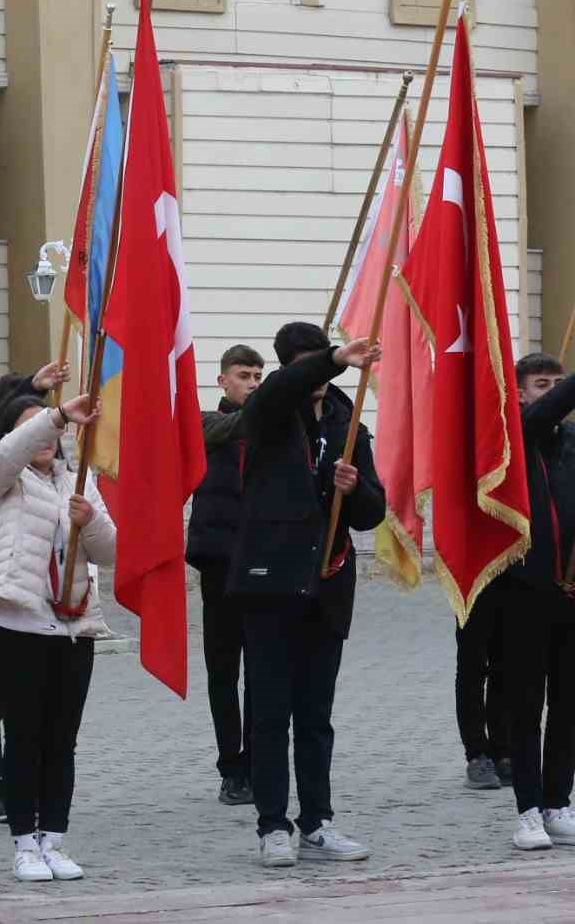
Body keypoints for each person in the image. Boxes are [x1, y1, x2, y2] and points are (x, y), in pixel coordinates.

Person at [227, 323, 383, 868]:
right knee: (269, 712)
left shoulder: (348, 420)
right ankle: (273, 825)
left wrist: (353, 487)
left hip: (328, 586)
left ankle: (317, 822)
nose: (313, 373)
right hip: (271, 584)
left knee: (316, 714)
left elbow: (373, 510)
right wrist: (336, 356)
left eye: (314, 360)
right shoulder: (270, 414)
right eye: (302, 363)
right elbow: (274, 391)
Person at [0, 391, 111, 883]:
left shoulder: (78, 479)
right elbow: (2, 459)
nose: (49, 438)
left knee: (62, 740)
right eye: (33, 429)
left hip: (74, 625)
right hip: (18, 624)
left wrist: (88, 520)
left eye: (53, 431)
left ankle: (54, 838)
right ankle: (23, 842)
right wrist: (52, 417)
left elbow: (109, 551)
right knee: (25, 736)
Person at [0, 361, 68, 824]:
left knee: (38, 695)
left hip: (44, 589)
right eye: (26, 423)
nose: (39, 433)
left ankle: (34, 778)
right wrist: (32, 387)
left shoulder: (57, 472)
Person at [502, 353, 575, 850]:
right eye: (541, 384)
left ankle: (558, 802)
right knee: (525, 706)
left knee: (568, 705)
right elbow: (543, 417)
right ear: (520, 393)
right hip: (524, 593)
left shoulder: (573, 443)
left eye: (557, 383)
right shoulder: (514, 438)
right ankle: (527, 810)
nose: (550, 391)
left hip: (570, 593)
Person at [187, 344, 264, 806]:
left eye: (258, 376)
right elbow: (232, 427)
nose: (252, 383)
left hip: (262, 564)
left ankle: (257, 761)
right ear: (222, 382)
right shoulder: (204, 422)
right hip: (219, 564)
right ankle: (230, 765)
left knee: (261, 671)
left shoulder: (268, 427)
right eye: (243, 375)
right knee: (223, 671)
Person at [455, 573, 511, 791]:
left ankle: (503, 752)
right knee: (472, 665)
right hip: (472, 568)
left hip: (513, 566)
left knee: (507, 665)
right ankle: (477, 754)